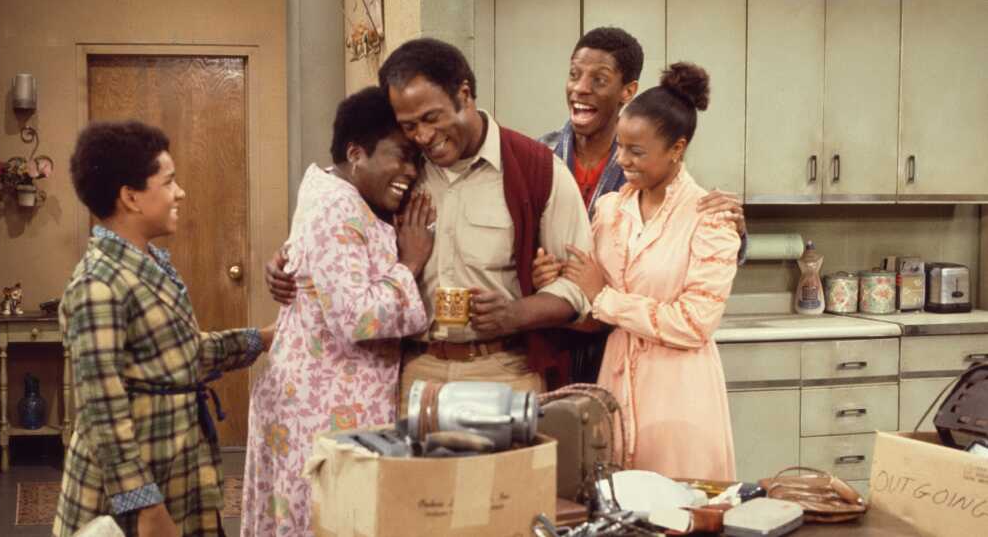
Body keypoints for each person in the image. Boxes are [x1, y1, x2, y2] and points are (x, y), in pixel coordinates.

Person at [267, 38, 593, 404]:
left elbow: (580, 288)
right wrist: (289, 261)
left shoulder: (537, 169)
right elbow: (338, 225)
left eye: (431, 118)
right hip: (415, 375)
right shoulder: (401, 173)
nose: (423, 136)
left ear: (464, 95)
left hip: (506, 372)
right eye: (409, 126)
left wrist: (515, 314)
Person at [54, 121, 271, 537]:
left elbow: (182, 355)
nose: (180, 192)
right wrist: (144, 505)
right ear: (130, 197)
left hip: (176, 461)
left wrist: (260, 339)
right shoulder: (98, 283)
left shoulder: (148, 262)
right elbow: (103, 412)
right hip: (132, 486)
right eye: (169, 182)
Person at [241, 88, 435, 537]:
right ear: (356, 153)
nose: (412, 171)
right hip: (320, 411)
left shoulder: (343, 194)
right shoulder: (337, 206)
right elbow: (359, 317)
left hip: (318, 403)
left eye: (417, 161)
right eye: (402, 156)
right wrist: (410, 263)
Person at [555, 63, 740, 480]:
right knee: (620, 507)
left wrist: (604, 298)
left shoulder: (710, 218)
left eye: (637, 152)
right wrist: (560, 275)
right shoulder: (610, 211)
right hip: (615, 382)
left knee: (679, 507)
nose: (622, 161)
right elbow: (588, 293)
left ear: (677, 149)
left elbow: (694, 324)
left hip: (679, 393)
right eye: (620, 147)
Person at [535, 26, 748, 383]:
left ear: (627, 91)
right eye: (574, 74)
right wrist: (539, 273)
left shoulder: (653, 171)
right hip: (553, 340)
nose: (580, 88)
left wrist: (737, 231)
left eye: (598, 79)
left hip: (622, 343)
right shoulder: (541, 156)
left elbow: (682, 237)